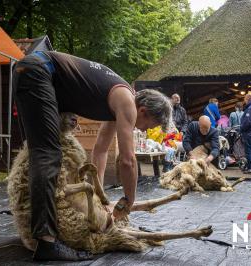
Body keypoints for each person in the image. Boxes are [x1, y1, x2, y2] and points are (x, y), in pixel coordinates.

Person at [13, 51, 172, 261]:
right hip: (38, 72)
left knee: (45, 153)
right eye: (148, 126)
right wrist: (129, 200)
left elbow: (101, 150)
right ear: (143, 111)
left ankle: (42, 232)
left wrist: (99, 195)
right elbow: (127, 160)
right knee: (47, 155)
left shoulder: (120, 100)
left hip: (35, 71)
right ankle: (46, 243)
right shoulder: (127, 102)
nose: (143, 131)